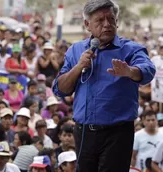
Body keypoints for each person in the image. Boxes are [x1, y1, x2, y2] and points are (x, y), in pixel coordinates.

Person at [52, 0, 156, 171]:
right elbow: (60, 89)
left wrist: (129, 71)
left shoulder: (131, 49)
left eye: (111, 19)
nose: (107, 24)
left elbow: (148, 71)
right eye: (100, 20)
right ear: (87, 24)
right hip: (84, 132)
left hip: (117, 133)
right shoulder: (76, 50)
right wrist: (78, 67)